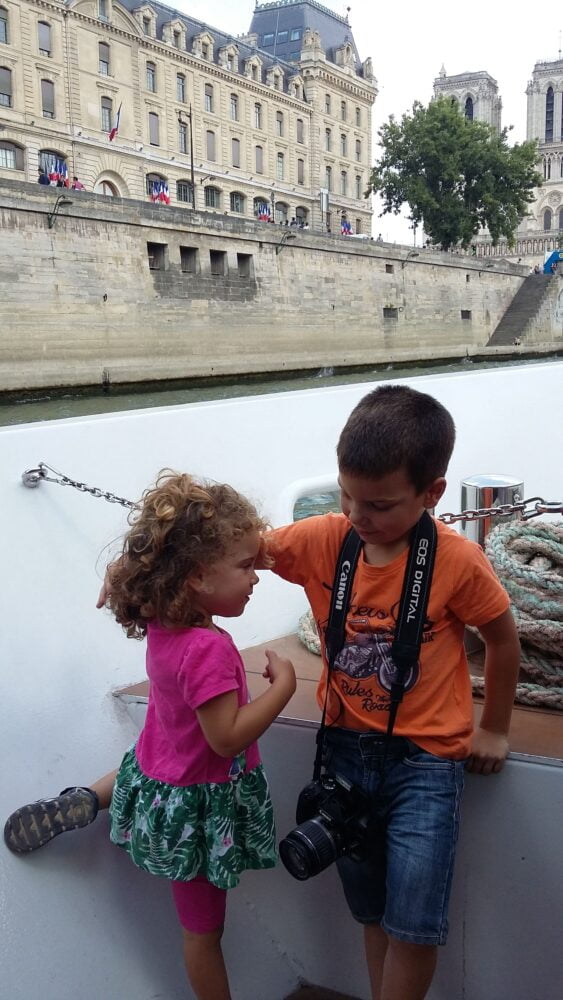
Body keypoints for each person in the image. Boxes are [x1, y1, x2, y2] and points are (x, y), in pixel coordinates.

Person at [265, 385, 520, 1000]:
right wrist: (142, 566)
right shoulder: (324, 539)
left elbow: (504, 639)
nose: (356, 514)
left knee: (413, 929)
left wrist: (495, 728)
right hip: (346, 759)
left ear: (432, 494)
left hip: (426, 765)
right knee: (373, 915)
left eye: (378, 504)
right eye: (346, 495)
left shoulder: (457, 561)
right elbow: (239, 550)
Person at [4, 472, 296, 1000]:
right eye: (247, 565)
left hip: (160, 767)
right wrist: (283, 688)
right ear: (198, 578)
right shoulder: (206, 648)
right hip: (196, 804)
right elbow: (227, 739)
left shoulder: (161, 615)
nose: (257, 578)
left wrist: (122, 576)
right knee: (203, 935)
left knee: (140, 761)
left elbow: (147, 574)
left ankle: (85, 800)